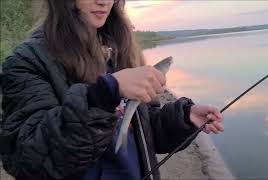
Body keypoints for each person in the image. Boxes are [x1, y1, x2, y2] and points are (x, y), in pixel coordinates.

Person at [0, 0, 224, 180]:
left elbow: (144, 132)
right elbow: (27, 158)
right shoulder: (26, 61)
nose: (103, 1)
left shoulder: (121, 51)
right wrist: (102, 95)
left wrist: (183, 118)